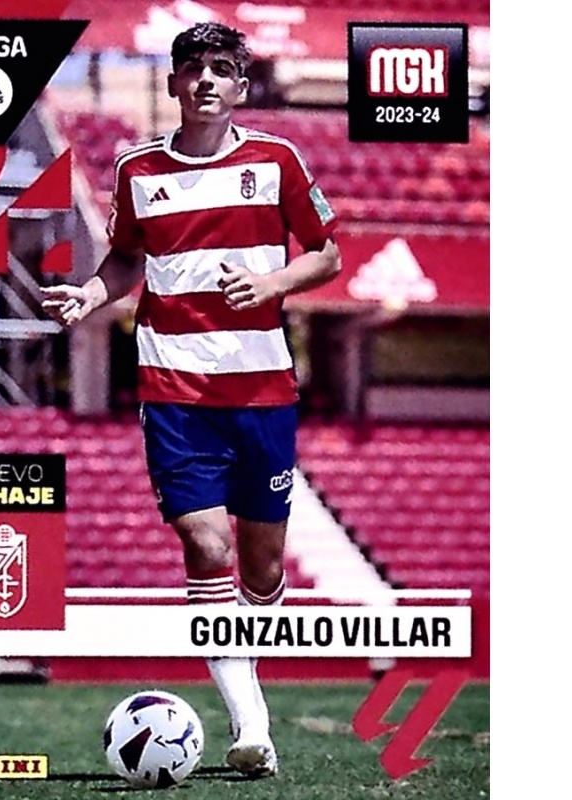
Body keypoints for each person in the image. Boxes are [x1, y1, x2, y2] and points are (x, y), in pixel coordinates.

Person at [41, 22, 341, 778]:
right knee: (207, 548)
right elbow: (125, 261)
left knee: (262, 569)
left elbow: (327, 254)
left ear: (239, 85)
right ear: (174, 82)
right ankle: (252, 725)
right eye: (193, 68)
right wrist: (90, 293)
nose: (206, 79)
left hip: (262, 389)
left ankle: (245, 667)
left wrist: (273, 283)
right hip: (173, 389)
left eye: (222, 69)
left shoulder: (277, 160)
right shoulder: (138, 170)